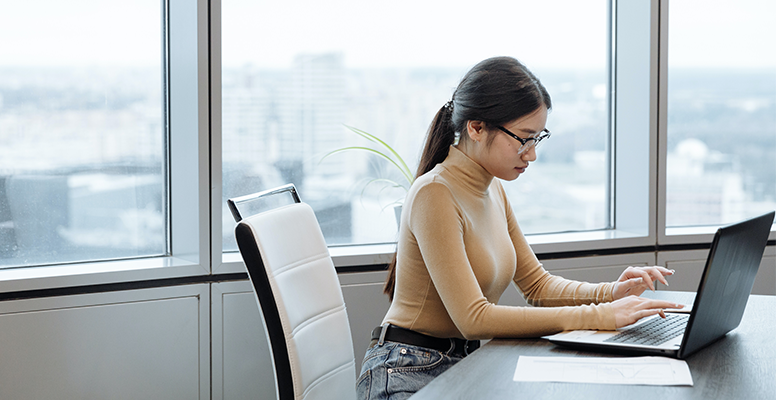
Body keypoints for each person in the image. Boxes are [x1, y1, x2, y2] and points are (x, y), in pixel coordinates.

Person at [355, 56, 681, 400]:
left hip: (460, 363)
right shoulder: (434, 193)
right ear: (476, 128)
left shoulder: (492, 188)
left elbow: (538, 286)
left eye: (538, 139)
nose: (532, 154)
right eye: (524, 138)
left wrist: (610, 293)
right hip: (407, 371)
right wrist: (601, 316)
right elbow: (474, 319)